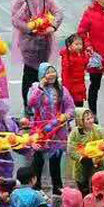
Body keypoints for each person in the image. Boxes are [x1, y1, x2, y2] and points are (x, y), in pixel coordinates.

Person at [27, 64, 75, 194]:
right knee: (38, 159)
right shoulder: (34, 88)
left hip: (57, 129)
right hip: (40, 130)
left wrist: (65, 116)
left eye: (53, 71)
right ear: (42, 75)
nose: (52, 74)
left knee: (56, 159)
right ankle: (36, 186)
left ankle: (57, 186)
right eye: (48, 72)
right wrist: (40, 88)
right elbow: (31, 103)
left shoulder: (61, 89)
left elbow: (71, 107)